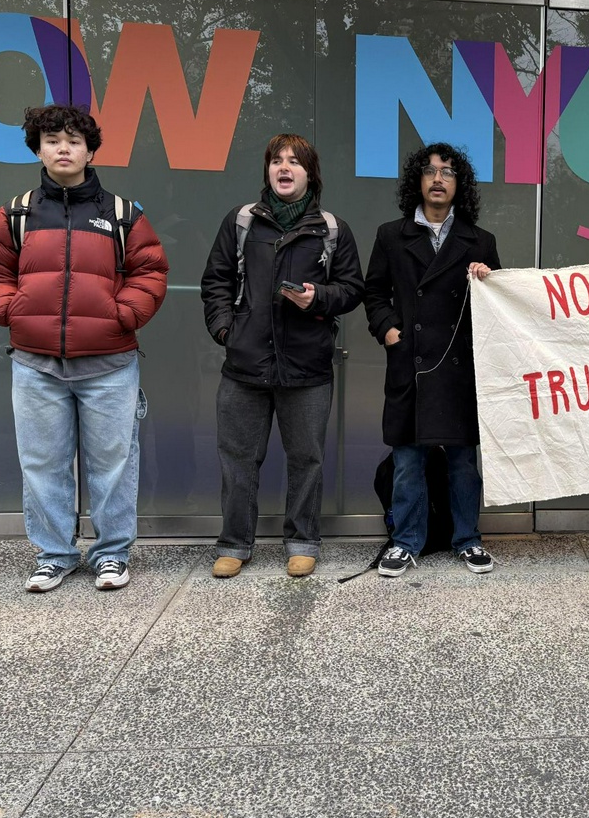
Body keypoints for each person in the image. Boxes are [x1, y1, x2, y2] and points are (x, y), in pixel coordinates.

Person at [0, 104, 168, 592]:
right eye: (53, 140)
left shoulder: (121, 214)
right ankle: (54, 554)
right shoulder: (16, 213)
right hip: (36, 363)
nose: (64, 148)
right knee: (42, 462)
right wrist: (12, 311)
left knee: (113, 462)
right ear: (38, 148)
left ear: (90, 150)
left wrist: (121, 316)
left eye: (74, 141)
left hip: (109, 364)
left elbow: (150, 272)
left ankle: (111, 554)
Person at [200, 134, 364, 579]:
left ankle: (303, 542)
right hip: (244, 366)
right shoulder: (241, 223)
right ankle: (234, 544)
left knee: (306, 458)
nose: (284, 168)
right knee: (237, 458)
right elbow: (215, 281)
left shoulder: (331, 229)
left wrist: (320, 297)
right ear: (267, 170)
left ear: (311, 174)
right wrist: (225, 330)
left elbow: (352, 289)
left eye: (295, 162)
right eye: (276, 160)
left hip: (307, 368)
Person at [364, 142, 500, 577]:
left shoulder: (480, 241)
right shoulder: (391, 235)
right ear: (417, 182)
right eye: (430, 171)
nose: (438, 178)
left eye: (448, 172)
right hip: (412, 365)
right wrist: (389, 331)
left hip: (459, 369)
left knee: (463, 462)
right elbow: (373, 293)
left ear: (461, 185)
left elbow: (497, 308)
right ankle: (406, 541)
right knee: (408, 460)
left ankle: (467, 539)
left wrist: (488, 280)